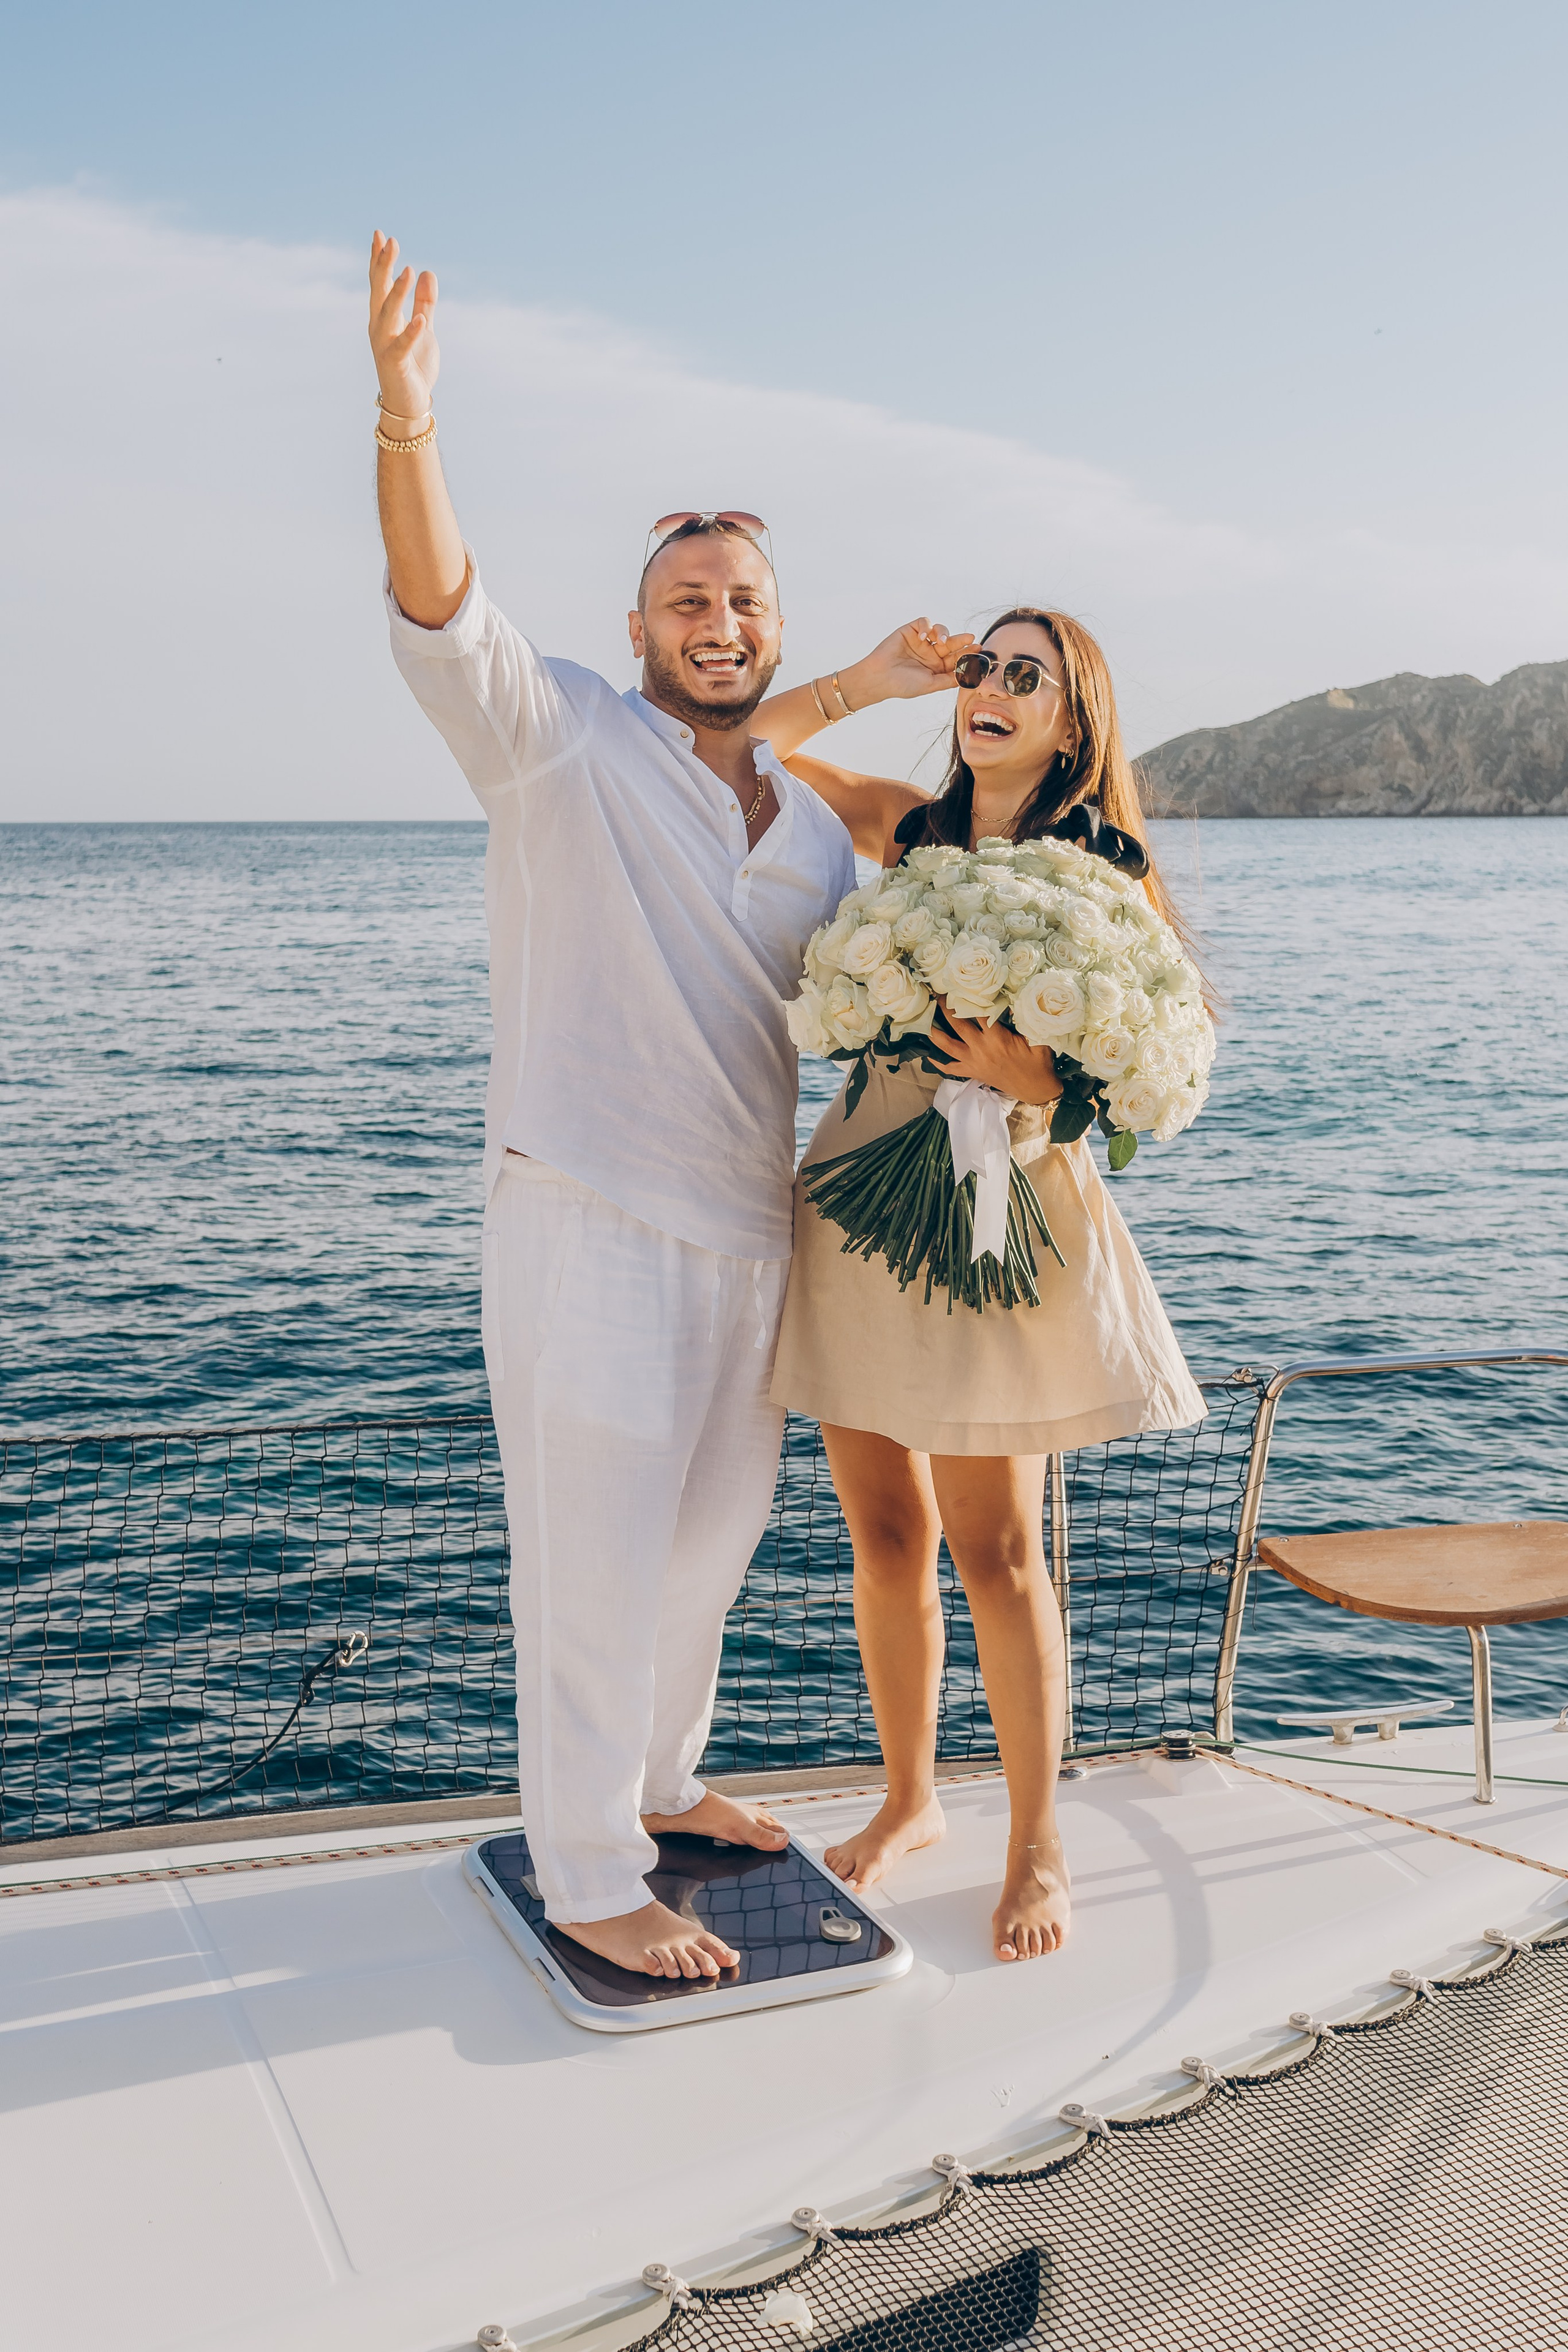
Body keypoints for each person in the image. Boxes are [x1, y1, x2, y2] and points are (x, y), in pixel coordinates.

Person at [366, 233, 971, 1981]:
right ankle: (586, 1872)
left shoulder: (817, 828)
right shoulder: (555, 738)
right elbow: (441, 608)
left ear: (774, 629)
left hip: (744, 1228)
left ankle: (658, 1782)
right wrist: (408, 422)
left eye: (744, 603)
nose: (719, 623)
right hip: (585, 1214)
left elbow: (874, 998)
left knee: (707, 1551)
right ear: (636, 629)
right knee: (594, 1558)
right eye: (689, 602)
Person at [752, 609, 1207, 1963]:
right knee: (884, 1534)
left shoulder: (1107, 875)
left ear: (1071, 719)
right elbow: (748, 747)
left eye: (1024, 676)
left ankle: (1037, 1844)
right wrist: (870, 680)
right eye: (977, 670)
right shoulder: (906, 832)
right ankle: (910, 1800)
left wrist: (1042, 1081)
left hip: (998, 1210)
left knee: (999, 1552)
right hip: (862, 1197)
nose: (988, 691)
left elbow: (1140, 1076)